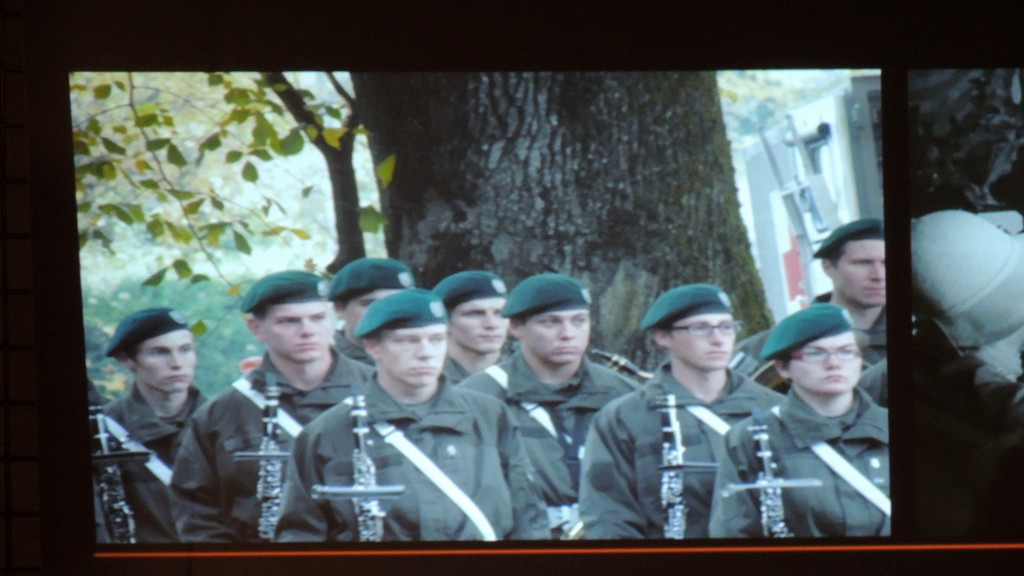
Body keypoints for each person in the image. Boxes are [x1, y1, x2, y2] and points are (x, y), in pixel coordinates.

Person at [275, 289, 548, 541]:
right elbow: (301, 534)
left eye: (436, 340)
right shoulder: (329, 431)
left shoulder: (489, 415)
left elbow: (528, 515)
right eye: (408, 341)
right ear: (373, 347)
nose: (426, 353)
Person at [170, 271, 373, 542]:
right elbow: (197, 510)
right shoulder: (224, 412)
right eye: (289, 321)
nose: (308, 331)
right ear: (257, 329)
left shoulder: (377, 391)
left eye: (318, 318)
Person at [579, 284, 784, 539]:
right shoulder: (625, 418)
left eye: (726, 327)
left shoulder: (775, 408)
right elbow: (609, 516)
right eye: (700, 328)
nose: (718, 338)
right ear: (663, 337)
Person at [459, 273, 639, 538]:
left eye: (579, 321)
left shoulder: (625, 394)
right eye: (550, 322)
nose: (567, 334)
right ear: (516, 327)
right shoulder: (477, 398)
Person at [709, 304, 890, 538]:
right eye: (816, 353)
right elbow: (733, 533)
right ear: (783, 368)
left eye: (846, 351)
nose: (834, 363)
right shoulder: (751, 440)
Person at [733, 217, 886, 397]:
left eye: (886, 263)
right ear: (828, 267)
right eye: (863, 263)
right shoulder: (772, 345)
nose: (878, 275)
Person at [96, 307, 207, 543]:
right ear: (126, 359)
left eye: (185, 350)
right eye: (159, 352)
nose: (177, 363)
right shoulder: (103, 429)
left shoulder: (223, 420)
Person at [328, 257, 416, 367]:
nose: (385, 313)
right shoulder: (323, 363)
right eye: (371, 304)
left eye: (397, 303)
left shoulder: (424, 357)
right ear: (339, 309)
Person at [431, 270, 510, 384]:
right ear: (445, 323)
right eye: (475, 314)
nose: (492, 324)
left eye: (500, 313)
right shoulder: (425, 383)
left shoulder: (528, 378)